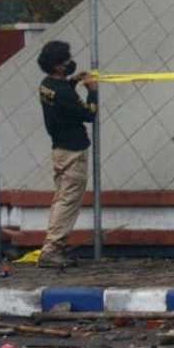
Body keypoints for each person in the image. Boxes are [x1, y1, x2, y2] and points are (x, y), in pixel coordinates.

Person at [35, 40, 98, 268]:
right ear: (59, 67)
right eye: (67, 61)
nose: (71, 63)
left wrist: (74, 81)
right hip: (72, 152)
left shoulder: (47, 84)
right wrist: (92, 91)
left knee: (62, 198)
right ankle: (52, 249)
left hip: (60, 149)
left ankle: (55, 246)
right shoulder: (63, 93)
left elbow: (62, 96)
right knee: (68, 201)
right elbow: (89, 114)